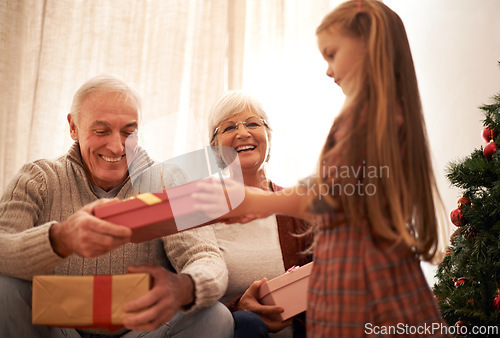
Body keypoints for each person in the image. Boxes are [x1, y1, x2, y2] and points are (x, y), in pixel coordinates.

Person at [194, 1, 450, 337]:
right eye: (229, 127)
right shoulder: (378, 116)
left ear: (367, 48)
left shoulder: (366, 119)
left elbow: (339, 191)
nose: (328, 70)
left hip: (358, 280)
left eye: (332, 54)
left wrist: (257, 203)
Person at [0, 74, 233, 337]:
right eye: (101, 131)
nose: (116, 146)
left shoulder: (168, 181)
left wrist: (183, 286)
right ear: (73, 126)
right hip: (57, 327)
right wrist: (59, 239)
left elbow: (207, 258)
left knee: (215, 316)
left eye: (128, 132)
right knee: (4, 289)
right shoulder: (39, 178)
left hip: (139, 330)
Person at [206, 90, 312, 338]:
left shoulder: (295, 206)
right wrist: (236, 309)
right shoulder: (199, 215)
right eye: (229, 127)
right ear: (214, 148)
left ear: (268, 137)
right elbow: (186, 308)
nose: (243, 133)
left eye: (253, 123)